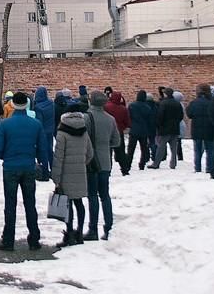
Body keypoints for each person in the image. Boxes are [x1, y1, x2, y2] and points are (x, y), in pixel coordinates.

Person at [0, 91, 42, 251]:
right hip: (28, 166)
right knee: (30, 203)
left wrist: (3, 156)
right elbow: (42, 147)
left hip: (11, 167)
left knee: (10, 204)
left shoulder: (5, 124)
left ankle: (8, 240)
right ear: (27, 104)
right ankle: (34, 239)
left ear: (12, 104)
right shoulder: (36, 124)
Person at [51, 100, 93, 247]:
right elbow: (90, 154)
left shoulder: (62, 132)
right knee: (79, 203)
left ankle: (69, 234)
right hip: (80, 173)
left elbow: (58, 156)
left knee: (67, 204)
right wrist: (82, 164)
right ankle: (80, 233)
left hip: (65, 174)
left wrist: (55, 176)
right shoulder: (84, 130)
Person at [85, 91, 119, 241]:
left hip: (91, 161)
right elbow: (116, 141)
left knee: (92, 195)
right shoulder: (110, 119)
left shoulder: (86, 117)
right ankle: (109, 226)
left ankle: (93, 229)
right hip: (105, 161)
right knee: (105, 195)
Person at [151, 87, 183, 169]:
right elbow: (181, 116)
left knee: (161, 147)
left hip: (165, 128)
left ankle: (156, 163)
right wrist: (176, 122)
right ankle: (173, 164)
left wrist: (159, 125)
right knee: (174, 148)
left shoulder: (163, 103)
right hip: (175, 128)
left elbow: (160, 116)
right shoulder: (177, 103)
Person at [186, 85, 214, 173]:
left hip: (196, 129)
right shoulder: (211, 102)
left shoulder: (194, 102)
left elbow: (189, 114)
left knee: (197, 150)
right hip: (209, 129)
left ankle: (197, 168)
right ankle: (209, 168)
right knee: (209, 150)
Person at [32, 87, 56, 181]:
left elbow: (39, 122)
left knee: (43, 152)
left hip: (42, 132)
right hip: (50, 130)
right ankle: (53, 171)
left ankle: (45, 173)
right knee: (50, 151)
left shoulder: (38, 107)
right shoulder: (51, 104)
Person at [127, 90, 154, 170]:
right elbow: (150, 120)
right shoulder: (147, 107)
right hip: (144, 130)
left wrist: (130, 125)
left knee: (131, 149)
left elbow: (129, 117)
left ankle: (128, 164)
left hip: (134, 129)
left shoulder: (132, 105)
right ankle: (142, 164)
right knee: (144, 148)